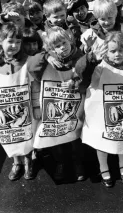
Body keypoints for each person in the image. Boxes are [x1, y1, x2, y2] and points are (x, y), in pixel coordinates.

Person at [75, 32, 123, 188]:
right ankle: (103, 168)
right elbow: (82, 77)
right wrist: (90, 58)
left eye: (121, 50)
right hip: (100, 110)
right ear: (106, 51)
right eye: (112, 51)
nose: (117, 54)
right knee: (102, 139)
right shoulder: (98, 65)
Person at [0, 23, 39, 181]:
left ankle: (28, 162)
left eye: (18, 42)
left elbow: (34, 88)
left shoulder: (27, 62)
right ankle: (16, 162)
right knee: (10, 136)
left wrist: (37, 107)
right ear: (0, 40)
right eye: (10, 41)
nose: (14, 45)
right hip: (3, 111)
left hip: (24, 110)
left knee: (26, 135)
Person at [32, 26, 85, 181]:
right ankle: (61, 162)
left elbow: (87, 78)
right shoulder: (48, 59)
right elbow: (32, 67)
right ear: (51, 48)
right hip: (54, 103)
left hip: (74, 103)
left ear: (69, 40)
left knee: (75, 134)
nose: (62, 47)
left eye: (64, 42)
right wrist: (46, 55)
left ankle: (78, 163)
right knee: (56, 134)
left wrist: (74, 82)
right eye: (57, 46)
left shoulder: (79, 56)